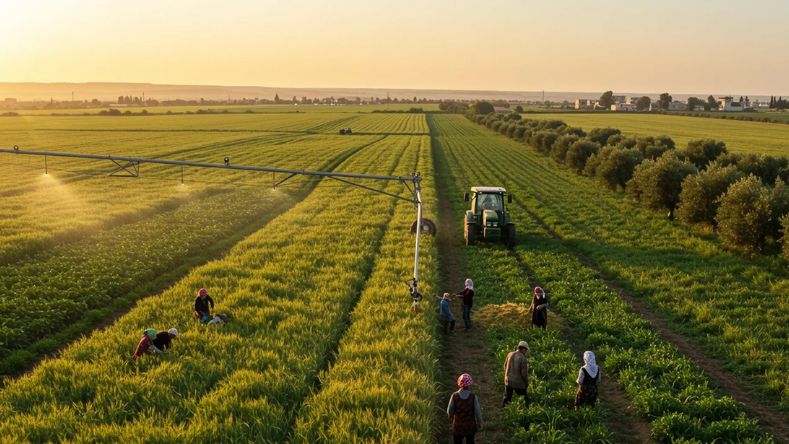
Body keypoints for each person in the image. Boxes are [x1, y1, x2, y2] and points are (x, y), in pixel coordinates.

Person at [447, 373, 483, 444]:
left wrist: (451, 418)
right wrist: (479, 422)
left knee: (457, 442)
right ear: (469, 385)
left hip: (457, 426)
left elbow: (449, 411)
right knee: (470, 441)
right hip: (470, 426)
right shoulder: (473, 397)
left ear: (459, 383)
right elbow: (477, 412)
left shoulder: (454, 396)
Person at [502, 341, 529, 406]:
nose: (526, 352)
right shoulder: (523, 358)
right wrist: (526, 382)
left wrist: (507, 376)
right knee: (523, 396)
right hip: (518, 382)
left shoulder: (510, 354)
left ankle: (505, 409)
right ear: (523, 349)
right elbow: (524, 374)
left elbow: (505, 366)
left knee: (507, 397)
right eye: (526, 350)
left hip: (508, 380)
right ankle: (526, 407)